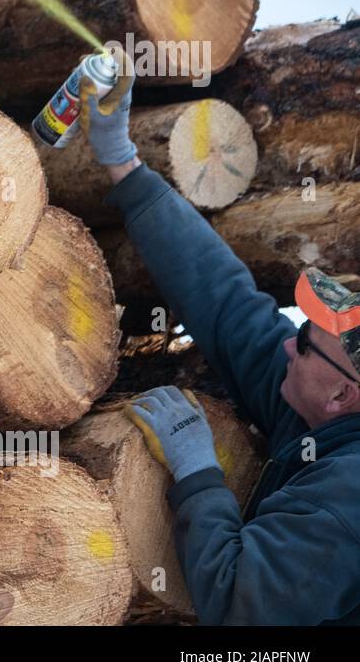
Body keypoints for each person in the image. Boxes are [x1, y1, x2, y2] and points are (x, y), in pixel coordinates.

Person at [78, 58, 360, 625]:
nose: (286, 344)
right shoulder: (320, 422)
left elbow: (240, 611)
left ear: (339, 395)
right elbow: (225, 303)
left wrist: (199, 474)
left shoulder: (348, 498)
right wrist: (122, 162)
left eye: (304, 343)